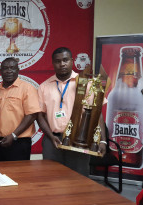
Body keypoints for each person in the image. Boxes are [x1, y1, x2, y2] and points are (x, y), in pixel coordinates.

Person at [37, 47, 106, 176]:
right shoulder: (44, 87)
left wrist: (102, 140)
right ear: (53, 63)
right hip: (52, 140)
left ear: (72, 61)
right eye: (57, 61)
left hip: (79, 141)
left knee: (78, 179)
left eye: (65, 60)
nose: (62, 64)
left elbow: (97, 113)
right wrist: (51, 137)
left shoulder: (86, 83)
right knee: (51, 177)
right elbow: (40, 115)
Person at [0, 57, 41, 161]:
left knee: (19, 175)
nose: (9, 71)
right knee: (0, 174)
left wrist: (13, 135)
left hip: (19, 142)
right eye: (5, 68)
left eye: (12, 68)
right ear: (0, 71)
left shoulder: (27, 88)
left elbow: (32, 115)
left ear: (18, 70)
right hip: (0, 142)